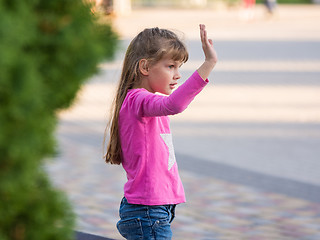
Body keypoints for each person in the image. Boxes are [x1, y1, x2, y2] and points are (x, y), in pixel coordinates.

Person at [104, 24, 217, 240]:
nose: (177, 75)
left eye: (179, 67)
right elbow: (174, 105)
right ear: (145, 67)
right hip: (148, 211)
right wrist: (209, 64)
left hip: (154, 209)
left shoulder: (143, 103)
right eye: (171, 66)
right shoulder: (138, 100)